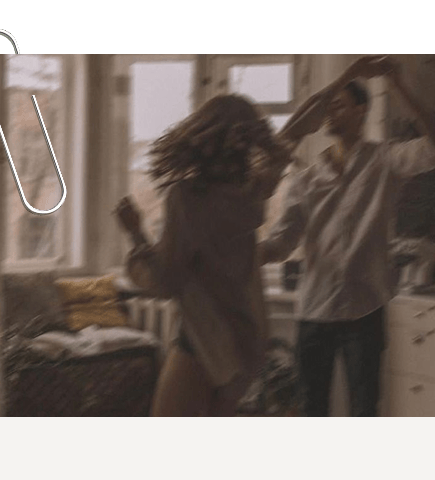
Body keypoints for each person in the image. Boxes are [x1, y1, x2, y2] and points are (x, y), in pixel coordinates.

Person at [258, 55, 435, 417]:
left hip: (365, 312)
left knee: (364, 413)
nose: (330, 114)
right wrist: (248, 253)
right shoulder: (305, 179)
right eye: (328, 108)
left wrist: (397, 83)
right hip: (314, 311)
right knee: (311, 411)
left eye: (339, 106)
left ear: (362, 111)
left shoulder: (385, 161)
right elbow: (283, 241)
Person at [115, 92, 326, 416]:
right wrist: (350, 74)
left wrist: (135, 232)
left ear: (200, 134)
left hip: (204, 339)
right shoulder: (251, 194)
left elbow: (167, 281)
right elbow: (294, 133)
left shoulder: (187, 198)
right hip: (245, 343)